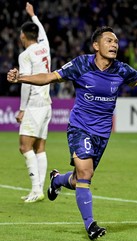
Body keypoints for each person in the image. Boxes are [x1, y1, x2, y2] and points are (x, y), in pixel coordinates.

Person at [7, 26, 137, 239]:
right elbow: (50, 77)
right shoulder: (81, 64)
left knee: (79, 178)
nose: (114, 45)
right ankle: (91, 226)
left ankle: (57, 180)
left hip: (102, 133)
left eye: (116, 42)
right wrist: (20, 78)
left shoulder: (122, 70)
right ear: (96, 45)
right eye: (109, 41)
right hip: (80, 128)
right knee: (85, 174)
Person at [15, 2, 52, 203]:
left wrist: (22, 109)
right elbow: (43, 32)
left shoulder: (26, 54)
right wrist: (34, 15)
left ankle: (36, 189)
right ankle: (37, 190)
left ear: (23, 36)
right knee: (39, 147)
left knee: (24, 146)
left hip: (35, 103)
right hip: (47, 103)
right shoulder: (44, 47)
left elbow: (25, 83)